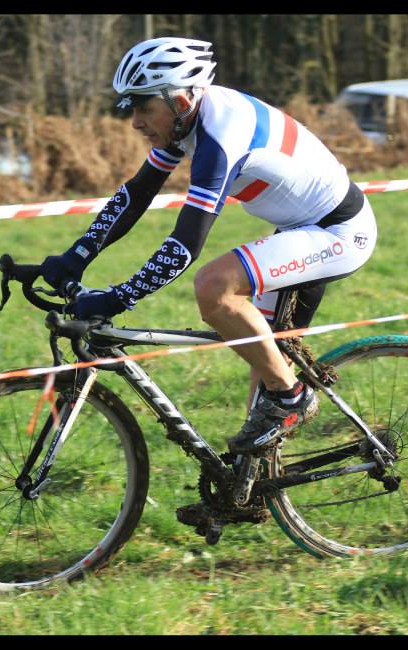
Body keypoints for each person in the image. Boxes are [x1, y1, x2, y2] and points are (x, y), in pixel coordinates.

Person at [40, 36, 377, 461]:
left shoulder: (221, 134)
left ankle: (292, 400)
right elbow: (137, 194)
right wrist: (74, 257)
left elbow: (186, 242)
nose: (135, 122)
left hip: (338, 232)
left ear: (180, 99)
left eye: (143, 107)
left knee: (215, 287)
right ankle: (249, 485)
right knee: (266, 356)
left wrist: (119, 297)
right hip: (299, 228)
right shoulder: (185, 123)